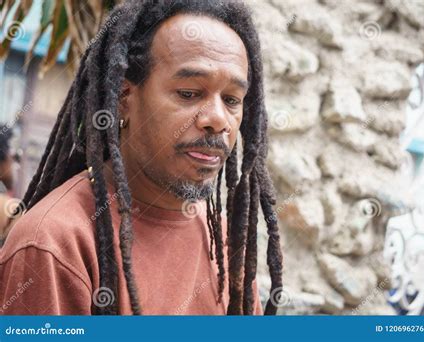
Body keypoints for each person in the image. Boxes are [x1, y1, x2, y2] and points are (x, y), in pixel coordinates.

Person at [0, 0, 283, 315]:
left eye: (231, 100)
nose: (218, 119)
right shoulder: (55, 245)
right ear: (124, 97)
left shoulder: (225, 242)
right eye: (189, 93)